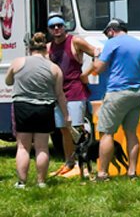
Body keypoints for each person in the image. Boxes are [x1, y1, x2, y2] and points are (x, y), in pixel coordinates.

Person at [8, 32, 70, 188]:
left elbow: (8, 81)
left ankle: (22, 182)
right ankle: (41, 181)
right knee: (42, 147)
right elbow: (59, 95)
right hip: (44, 108)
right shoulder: (55, 68)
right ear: (46, 49)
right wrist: (66, 115)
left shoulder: (17, 62)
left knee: (23, 147)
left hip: (22, 107)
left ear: (29, 49)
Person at [92, 19, 140, 181]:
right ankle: (132, 172)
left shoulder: (113, 43)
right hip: (137, 93)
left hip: (117, 93)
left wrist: (96, 56)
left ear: (111, 31)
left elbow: (98, 69)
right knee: (131, 133)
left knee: (106, 133)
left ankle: (102, 173)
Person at [44, 14, 97, 177]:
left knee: (78, 129)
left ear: (64, 26)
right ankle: (69, 163)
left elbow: (97, 53)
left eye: (59, 25)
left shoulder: (76, 41)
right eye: (53, 27)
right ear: (49, 30)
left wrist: (87, 73)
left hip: (75, 91)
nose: (56, 29)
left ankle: (84, 164)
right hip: (58, 93)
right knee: (64, 130)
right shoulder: (48, 48)